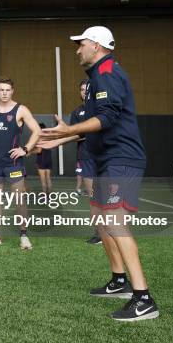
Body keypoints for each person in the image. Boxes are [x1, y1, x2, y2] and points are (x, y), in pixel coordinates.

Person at [39, 26, 159, 321]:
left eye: (81, 44)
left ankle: (143, 299)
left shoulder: (107, 72)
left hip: (122, 158)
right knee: (104, 222)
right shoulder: (96, 79)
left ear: (96, 45)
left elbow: (107, 118)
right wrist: (60, 139)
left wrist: (69, 130)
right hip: (107, 159)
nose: (77, 49)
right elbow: (94, 125)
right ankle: (119, 281)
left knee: (115, 223)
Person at [0, 77, 41, 250]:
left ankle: (24, 235)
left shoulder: (21, 110)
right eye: (1, 90)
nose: (4, 93)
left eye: (7, 90)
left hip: (14, 164)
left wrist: (25, 149)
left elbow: (37, 131)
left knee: (19, 200)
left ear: (12, 91)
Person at [70, 79, 100, 244]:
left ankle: (115, 231)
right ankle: (99, 234)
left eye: (87, 89)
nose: (85, 92)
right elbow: (73, 135)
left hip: (104, 158)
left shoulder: (101, 109)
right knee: (94, 197)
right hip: (86, 158)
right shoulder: (77, 112)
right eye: (82, 89)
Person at [35, 123, 52, 194]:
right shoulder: (48, 137)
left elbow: (39, 150)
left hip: (41, 160)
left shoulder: (40, 138)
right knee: (48, 178)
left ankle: (45, 195)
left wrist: (29, 151)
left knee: (43, 179)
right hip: (49, 160)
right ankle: (50, 195)